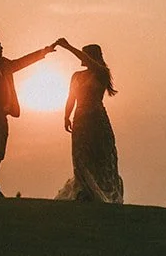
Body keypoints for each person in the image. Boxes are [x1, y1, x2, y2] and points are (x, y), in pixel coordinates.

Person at [0, 32, 56, 197]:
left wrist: (44, 51)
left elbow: (23, 62)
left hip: (3, 115)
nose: (1, 47)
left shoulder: (4, 64)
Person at [52, 38, 124, 204]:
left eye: (84, 55)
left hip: (97, 119)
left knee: (101, 155)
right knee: (81, 156)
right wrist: (66, 116)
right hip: (80, 120)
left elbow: (95, 65)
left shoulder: (101, 73)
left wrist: (69, 47)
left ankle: (102, 191)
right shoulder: (76, 76)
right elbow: (71, 97)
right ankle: (85, 190)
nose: (81, 59)